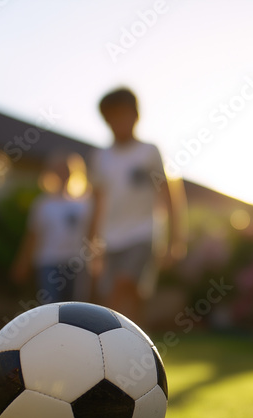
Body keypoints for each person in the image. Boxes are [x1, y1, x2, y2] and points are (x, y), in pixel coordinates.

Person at [86, 87, 186, 324]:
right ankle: (130, 346)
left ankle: (127, 345)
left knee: (125, 284)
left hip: (143, 233)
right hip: (111, 238)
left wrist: (176, 239)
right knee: (121, 295)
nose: (118, 121)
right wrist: (91, 244)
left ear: (135, 115)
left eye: (123, 114)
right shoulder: (100, 158)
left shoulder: (149, 152)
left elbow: (169, 195)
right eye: (111, 117)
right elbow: (97, 203)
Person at [11, 151, 92, 304]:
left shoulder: (84, 203)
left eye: (66, 169)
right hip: (49, 261)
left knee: (77, 307)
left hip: (76, 262)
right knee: (51, 307)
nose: (62, 173)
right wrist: (23, 263)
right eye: (58, 169)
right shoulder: (42, 204)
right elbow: (33, 235)